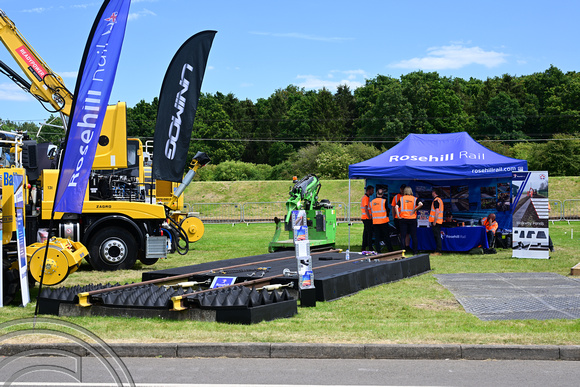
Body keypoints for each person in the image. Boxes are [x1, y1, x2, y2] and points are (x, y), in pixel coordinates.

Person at [396, 186, 423, 255]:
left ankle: (402, 252)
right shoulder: (415, 199)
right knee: (414, 236)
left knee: (403, 236)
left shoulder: (401, 199)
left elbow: (396, 206)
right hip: (412, 219)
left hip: (403, 219)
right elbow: (421, 204)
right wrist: (414, 209)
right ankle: (415, 252)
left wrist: (398, 216)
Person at [370, 188, 393, 253]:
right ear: (382, 194)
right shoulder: (384, 201)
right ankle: (390, 250)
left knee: (377, 237)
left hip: (375, 222)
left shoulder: (372, 202)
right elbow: (387, 210)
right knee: (386, 236)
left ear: (376, 194)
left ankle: (378, 250)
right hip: (383, 221)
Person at [391, 184, 406, 249]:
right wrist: (394, 217)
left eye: (403, 189)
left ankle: (405, 245)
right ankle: (402, 245)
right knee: (400, 232)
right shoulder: (396, 197)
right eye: (401, 189)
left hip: (405, 217)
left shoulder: (408, 197)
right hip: (398, 218)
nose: (402, 190)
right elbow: (393, 207)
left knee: (405, 233)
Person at [429, 188, 444, 256]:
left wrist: (434, 221)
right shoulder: (440, 200)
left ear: (434, 192)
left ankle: (438, 251)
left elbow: (437, 211)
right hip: (439, 221)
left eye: (432, 192)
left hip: (436, 221)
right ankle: (438, 250)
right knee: (437, 236)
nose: (431, 193)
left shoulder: (436, 200)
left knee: (437, 236)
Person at [360, 185, 374, 252]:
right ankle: (370, 247)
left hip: (365, 218)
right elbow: (366, 208)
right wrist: (369, 217)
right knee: (369, 233)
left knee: (366, 233)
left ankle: (364, 247)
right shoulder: (365, 198)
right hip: (366, 218)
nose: (373, 192)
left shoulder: (366, 197)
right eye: (372, 190)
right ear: (369, 190)